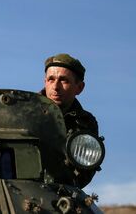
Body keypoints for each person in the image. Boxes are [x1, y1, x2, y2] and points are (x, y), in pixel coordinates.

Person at [41, 53, 99, 187]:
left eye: (63, 80)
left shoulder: (85, 122)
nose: (55, 87)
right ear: (45, 82)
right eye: (51, 79)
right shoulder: (24, 111)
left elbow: (84, 172)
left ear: (79, 87)